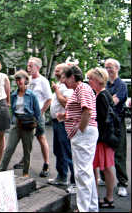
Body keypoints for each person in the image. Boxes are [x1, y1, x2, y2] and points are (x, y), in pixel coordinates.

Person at [56, 65, 99, 212]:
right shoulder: (79, 90)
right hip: (83, 132)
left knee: (82, 173)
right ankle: (91, 207)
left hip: (84, 134)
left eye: (65, 78)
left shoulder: (82, 88)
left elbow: (87, 110)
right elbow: (80, 111)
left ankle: (83, 208)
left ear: (72, 77)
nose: (64, 82)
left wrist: (80, 129)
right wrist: (66, 116)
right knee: (86, 171)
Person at [0, 70, 41, 177]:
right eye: (16, 80)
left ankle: (25, 173)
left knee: (27, 151)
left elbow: (37, 112)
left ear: (25, 80)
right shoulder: (13, 95)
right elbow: (13, 110)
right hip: (17, 124)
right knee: (9, 149)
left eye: (19, 79)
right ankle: (1, 171)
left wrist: (37, 126)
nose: (18, 82)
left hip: (29, 125)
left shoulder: (31, 95)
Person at [16, 57, 51, 177]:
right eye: (28, 65)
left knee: (41, 138)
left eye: (31, 66)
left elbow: (49, 99)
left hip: (37, 116)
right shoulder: (27, 80)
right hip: (26, 116)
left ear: (38, 67)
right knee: (26, 139)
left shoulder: (43, 81)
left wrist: (40, 113)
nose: (28, 68)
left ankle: (46, 164)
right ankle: (24, 160)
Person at [86, 68, 116, 208]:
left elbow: (103, 120)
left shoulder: (102, 96)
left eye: (90, 78)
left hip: (102, 140)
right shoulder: (103, 94)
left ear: (98, 80)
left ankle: (106, 197)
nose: (89, 81)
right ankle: (100, 196)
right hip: (104, 139)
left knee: (104, 168)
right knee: (103, 168)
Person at [102, 58, 128, 197]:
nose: (108, 69)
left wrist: (105, 98)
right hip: (105, 123)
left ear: (117, 68)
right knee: (103, 150)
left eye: (110, 67)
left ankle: (122, 183)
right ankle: (104, 177)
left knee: (119, 153)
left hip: (117, 123)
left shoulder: (121, 85)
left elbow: (112, 102)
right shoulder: (105, 84)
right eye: (106, 67)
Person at [48, 63, 76, 193]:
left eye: (58, 70)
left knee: (67, 151)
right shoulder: (59, 85)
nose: (56, 71)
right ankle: (62, 176)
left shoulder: (67, 87)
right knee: (58, 150)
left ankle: (74, 181)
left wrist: (57, 91)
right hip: (56, 122)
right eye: (55, 69)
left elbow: (67, 103)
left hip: (63, 122)